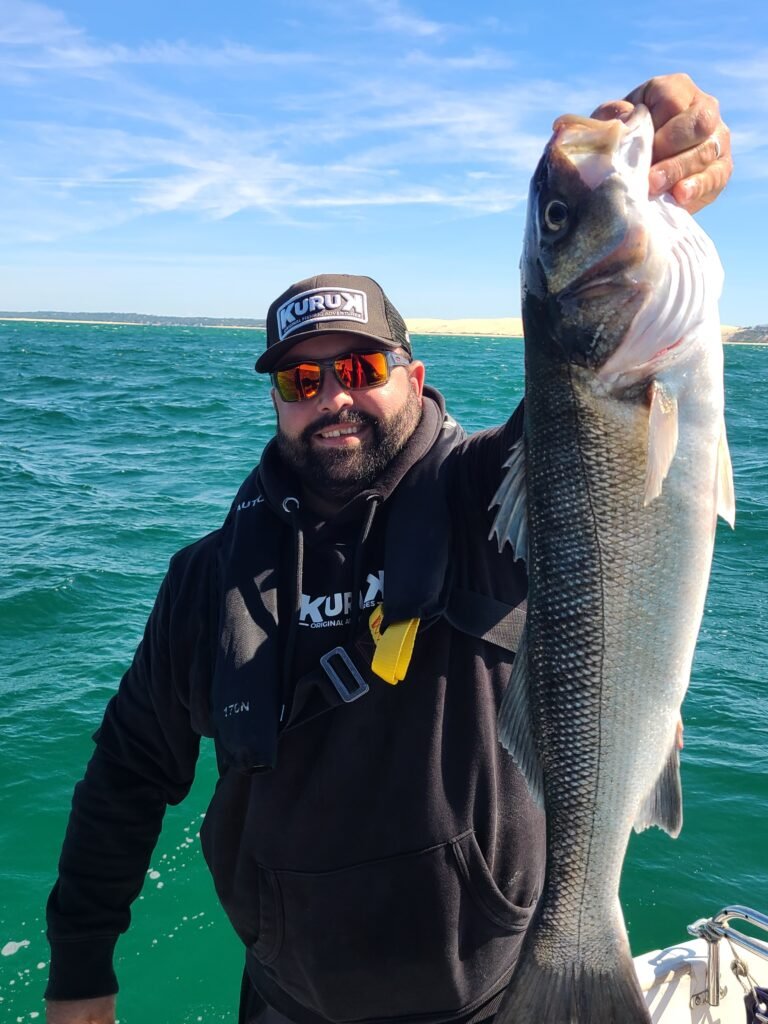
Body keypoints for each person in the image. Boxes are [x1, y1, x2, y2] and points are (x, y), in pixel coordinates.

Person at [45, 73, 732, 1024]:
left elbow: (581, 417)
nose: (333, 397)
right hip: (288, 1003)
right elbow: (125, 774)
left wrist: (652, 143)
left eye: (362, 368)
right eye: (301, 378)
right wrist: (81, 970)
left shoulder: (482, 495)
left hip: (499, 991)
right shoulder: (206, 580)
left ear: (413, 374)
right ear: (276, 397)